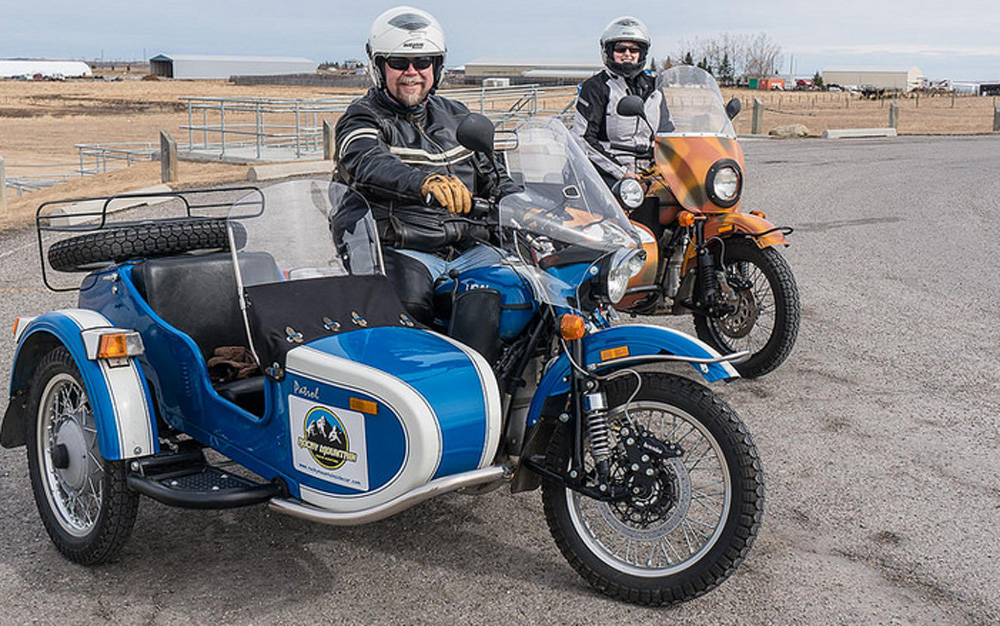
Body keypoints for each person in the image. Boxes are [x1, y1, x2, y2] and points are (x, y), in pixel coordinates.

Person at [332, 6, 520, 324]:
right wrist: (424, 182)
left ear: (437, 66)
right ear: (378, 66)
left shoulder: (458, 116)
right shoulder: (361, 117)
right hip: (403, 249)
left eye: (422, 62)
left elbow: (495, 176)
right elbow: (367, 160)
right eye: (398, 62)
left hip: (470, 248)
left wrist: (538, 205)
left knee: (529, 293)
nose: (412, 72)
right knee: (406, 313)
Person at [574, 16, 674, 188]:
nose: (627, 54)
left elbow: (668, 132)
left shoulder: (654, 87)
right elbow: (582, 138)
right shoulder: (596, 87)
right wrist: (621, 172)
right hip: (608, 173)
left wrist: (668, 163)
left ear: (642, 53)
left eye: (634, 50)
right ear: (609, 51)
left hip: (652, 171)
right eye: (621, 49)